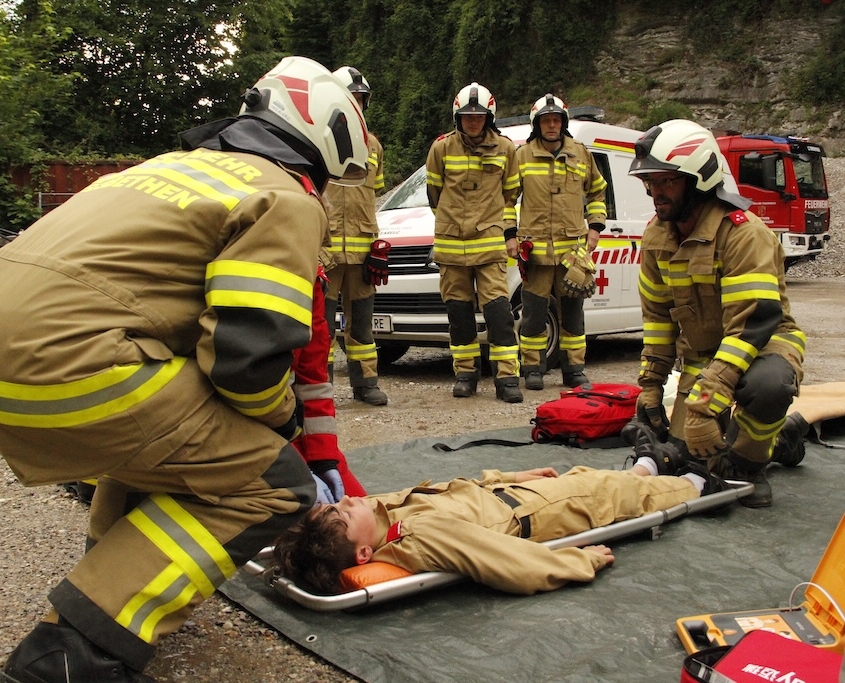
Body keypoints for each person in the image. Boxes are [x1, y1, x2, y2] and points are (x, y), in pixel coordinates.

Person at [0, 56, 369, 683]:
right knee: (270, 482)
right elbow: (248, 360)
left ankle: (110, 573)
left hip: (30, 356)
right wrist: (285, 434)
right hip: (70, 369)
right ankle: (71, 655)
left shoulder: (163, 169)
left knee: (184, 444)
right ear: (322, 148)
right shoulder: (284, 196)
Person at [624, 119, 806, 509]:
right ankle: (783, 440)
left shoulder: (744, 234)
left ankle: (750, 465)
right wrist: (651, 386)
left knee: (767, 387)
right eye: (650, 182)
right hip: (705, 355)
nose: (656, 193)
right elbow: (658, 321)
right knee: (689, 454)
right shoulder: (657, 237)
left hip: (762, 346)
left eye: (667, 181)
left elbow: (752, 324)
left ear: (701, 178)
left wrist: (707, 399)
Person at [273, 461, 725, 596]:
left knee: (590, 478)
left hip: (512, 494)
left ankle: (649, 464)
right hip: (542, 514)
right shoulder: (419, 539)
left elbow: (446, 489)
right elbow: (510, 564)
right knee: (614, 494)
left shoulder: (379, 518)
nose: (351, 498)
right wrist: (578, 560)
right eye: (346, 512)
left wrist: (509, 477)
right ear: (364, 556)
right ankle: (696, 480)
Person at [426, 82, 523, 403]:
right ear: (457, 117)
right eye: (467, 115)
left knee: (498, 311)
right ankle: (466, 374)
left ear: (489, 117)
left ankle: (507, 378)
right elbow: (434, 196)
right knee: (459, 314)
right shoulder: (440, 149)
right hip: (452, 246)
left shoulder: (506, 150)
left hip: (490, 244)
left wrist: (501, 230)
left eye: (479, 116)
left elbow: (510, 196)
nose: (472, 120)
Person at [515, 94, 608, 391]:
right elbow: (506, 199)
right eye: (546, 120)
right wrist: (510, 234)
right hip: (536, 251)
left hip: (573, 252)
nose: (552, 125)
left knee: (573, 312)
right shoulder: (522, 156)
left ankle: (574, 369)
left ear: (563, 123)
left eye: (556, 120)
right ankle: (532, 367)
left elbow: (597, 191)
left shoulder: (581, 154)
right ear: (537, 124)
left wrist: (594, 228)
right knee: (533, 314)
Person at [322, 66, 389, 406]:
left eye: (361, 100)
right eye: (351, 98)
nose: (357, 105)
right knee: (322, 327)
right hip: (327, 250)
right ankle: (321, 389)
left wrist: (376, 244)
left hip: (362, 252)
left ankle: (366, 385)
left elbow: (373, 194)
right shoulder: (318, 139)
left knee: (362, 325)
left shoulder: (373, 145)